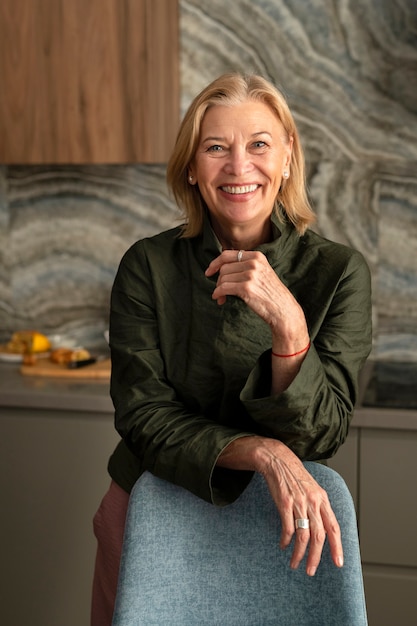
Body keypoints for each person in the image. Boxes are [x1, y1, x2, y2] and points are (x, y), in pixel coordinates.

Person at [91, 73, 372, 625]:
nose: (239, 166)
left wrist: (290, 326)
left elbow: (324, 432)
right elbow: (144, 417)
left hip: (289, 524)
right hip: (148, 510)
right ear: (192, 168)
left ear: (288, 157)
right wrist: (263, 452)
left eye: (259, 144)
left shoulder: (340, 273)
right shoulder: (146, 266)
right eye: (216, 147)